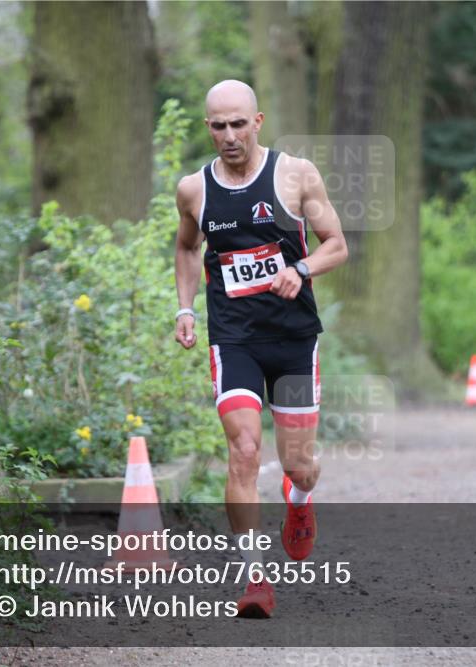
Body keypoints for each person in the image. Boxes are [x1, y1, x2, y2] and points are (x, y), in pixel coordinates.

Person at [173, 80, 348, 618]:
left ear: (258, 121)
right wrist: (184, 308)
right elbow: (185, 247)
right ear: (209, 128)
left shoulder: (295, 175)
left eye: (239, 124)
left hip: (294, 338)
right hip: (235, 339)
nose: (229, 136)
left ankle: (299, 500)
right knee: (245, 450)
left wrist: (300, 268)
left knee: (298, 464)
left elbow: (337, 246)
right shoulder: (193, 190)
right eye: (219, 126)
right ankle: (254, 578)